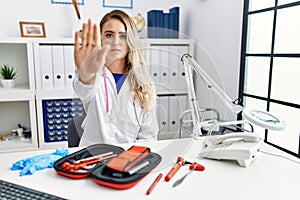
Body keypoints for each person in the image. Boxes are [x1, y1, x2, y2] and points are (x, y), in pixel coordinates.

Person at [73, 10, 158, 147]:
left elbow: (148, 135)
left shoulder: (143, 83)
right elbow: (84, 89)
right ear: (100, 39)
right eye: (109, 35)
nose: (116, 42)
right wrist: (86, 74)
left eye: (123, 36)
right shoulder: (94, 76)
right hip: (93, 159)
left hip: (129, 161)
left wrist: (130, 160)